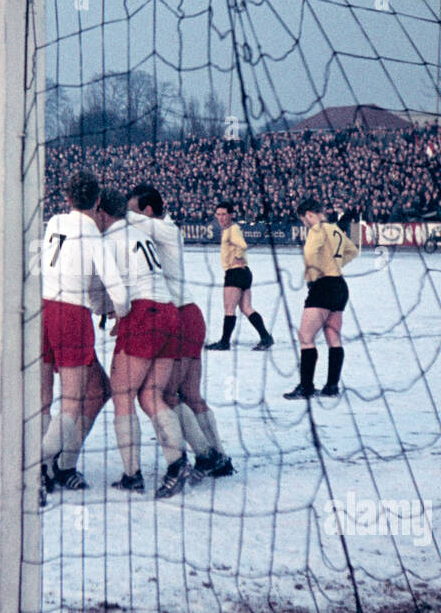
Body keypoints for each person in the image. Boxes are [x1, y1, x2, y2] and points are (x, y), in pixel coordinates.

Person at [128, 183, 233, 483]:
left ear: (148, 211)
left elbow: (130, 222)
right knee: (189, 395)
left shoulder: (165, 230)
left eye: (134, 211)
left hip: (180, 317)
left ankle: (206, 455)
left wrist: (111, 213)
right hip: (188, 315)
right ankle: (218, 455)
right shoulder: (158, 231)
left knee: (164, 394)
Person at [93, 189, 189, 497]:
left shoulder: (108, 241)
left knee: (122, 394)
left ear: (101, 212)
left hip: (143, 313)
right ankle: (176, 461)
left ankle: (131, 474)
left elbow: (116, 294)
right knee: (151, 395)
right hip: (169, 312)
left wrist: (111, 312)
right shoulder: (140, 232)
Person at [39, 171, 129, 498]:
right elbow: (115, 287)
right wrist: (121, 312)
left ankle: (57, 466)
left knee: (65, 396)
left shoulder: (54, 222)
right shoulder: (93, 235)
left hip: (43, 310)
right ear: (98, 202)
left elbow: (79, 273)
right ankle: (40, 465)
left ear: (66, 199)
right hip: (71, 315)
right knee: (72, 403)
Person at [285, 197, 357, 400]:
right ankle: (332, 386)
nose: (304, 224)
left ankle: (306, 387)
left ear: (308, 215)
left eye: (303, 220)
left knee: (306, 338)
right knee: (333, 337)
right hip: (340, 286)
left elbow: (309, 252)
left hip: (323, 286)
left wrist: (312, 276)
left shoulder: (316, 230)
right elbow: (353, 251)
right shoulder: (335, 229)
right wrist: (335, 265)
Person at [205, 201, 273, 350]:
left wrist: (237, 256)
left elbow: (242, 245)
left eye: (224, 214)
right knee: (246, 308)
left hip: (235, 272)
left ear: (231, 215)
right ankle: (266, 337)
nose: (221, 218)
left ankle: (224, 342)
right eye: (218, 214)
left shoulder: (232, 230)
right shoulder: (232, 229)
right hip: (244, 273)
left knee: (229, 309)